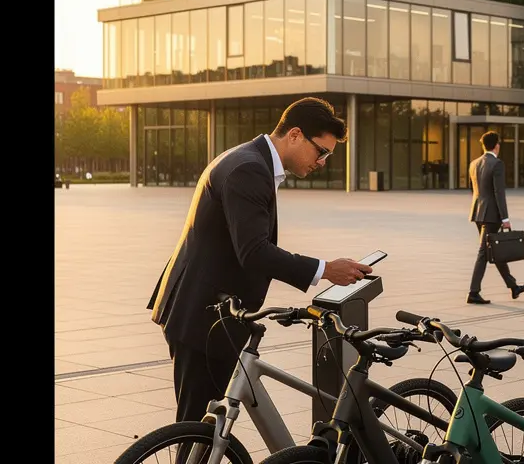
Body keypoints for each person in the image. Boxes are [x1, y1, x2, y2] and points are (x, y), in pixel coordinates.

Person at [146, 96, 374, 424]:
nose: (322, 162)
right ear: (295, 135)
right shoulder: (249, 168)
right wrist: (325, 269)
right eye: (321, 152)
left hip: (203, 310)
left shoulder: (248, 158)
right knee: (198, 427)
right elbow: (254, 251)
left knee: (205, 425)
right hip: (204, 318)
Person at [467, 131, 524, 305]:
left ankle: (513, 286)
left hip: (478, 212)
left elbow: (474, 190)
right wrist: (505, 218)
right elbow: (498, 193)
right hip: (491, 215)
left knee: (494, 250)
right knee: (484, 252)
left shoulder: (474, 163)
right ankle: (473, 292)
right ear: (496, 145)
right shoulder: (497, 164)